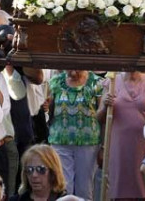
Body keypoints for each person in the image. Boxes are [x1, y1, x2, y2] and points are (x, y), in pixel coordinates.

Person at [45, 70, 103, 199]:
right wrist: (47, 106)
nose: (72, 71)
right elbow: (50, 110)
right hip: (60, 141)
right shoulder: (56, 81)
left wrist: (103, 146)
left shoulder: (96, 83)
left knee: (85, 188)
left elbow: (102, 116)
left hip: (88, 143)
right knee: (64, 187)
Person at [101, 71, 145, 200]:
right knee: (121, 187)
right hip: (120, 145)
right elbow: (99, 117)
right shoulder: (112, 81)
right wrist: (104, 105)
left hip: (144, 144)